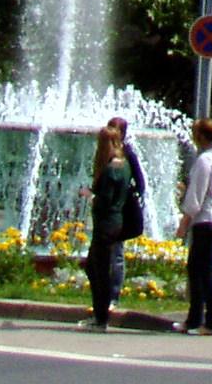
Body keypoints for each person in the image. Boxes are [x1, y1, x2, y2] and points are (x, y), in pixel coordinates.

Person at [175, 116, 212, 336]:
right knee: (199, 268)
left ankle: (210, 321)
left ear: (199, 136)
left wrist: (184, 222)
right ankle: (197, 319)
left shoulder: (204, 161)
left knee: (202, 270)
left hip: (206, 220)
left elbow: (196, 197)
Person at [82, 125, 131, 331]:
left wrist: (89, 195)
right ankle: (100, 314)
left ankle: (100, 318)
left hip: (106, 224)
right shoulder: (124, 165)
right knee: (95, 267)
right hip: (115, 222)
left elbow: (105, 200)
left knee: (98, 270)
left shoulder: (112, 169)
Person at [105, 114, 146, 301]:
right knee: (104, 253)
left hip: (120, 211)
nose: (111, 133)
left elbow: (140, 182)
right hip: (107, 210)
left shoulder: (128, 154)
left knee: (117, 252)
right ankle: (103, 293)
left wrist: (128, 196)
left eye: (115, 129)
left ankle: (114, 294)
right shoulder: (104, 152)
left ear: (122, 133)